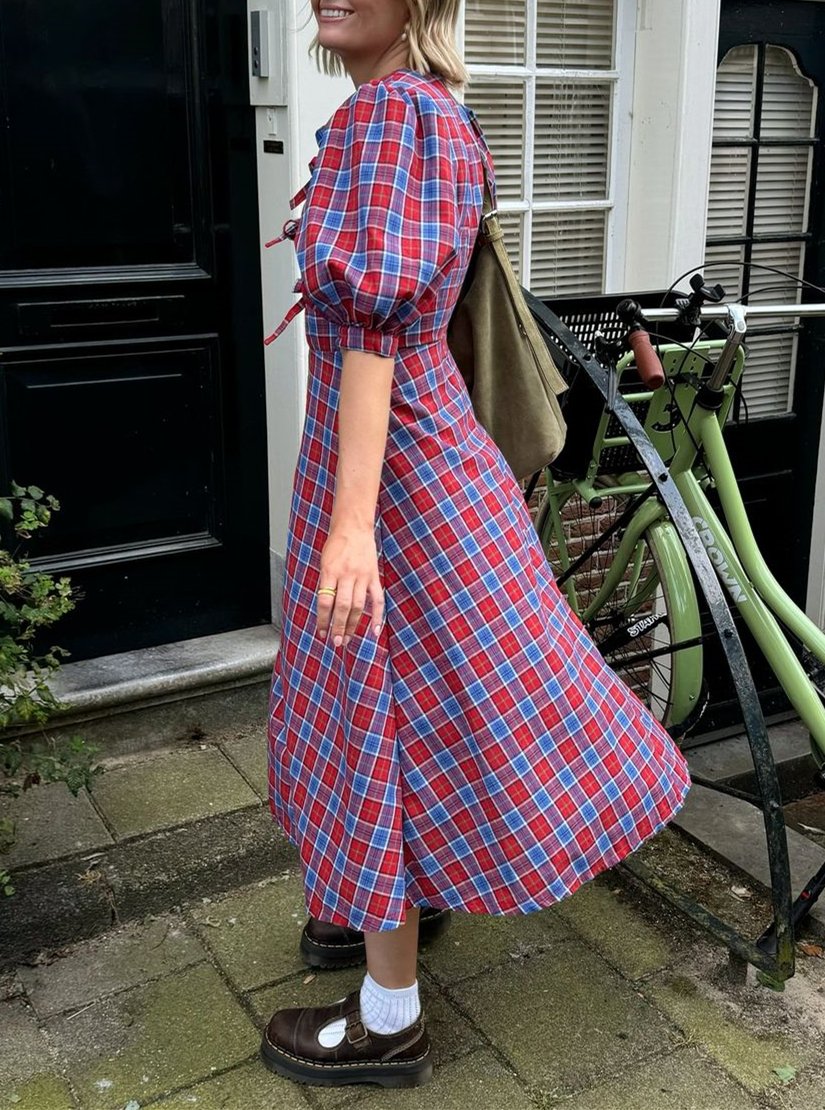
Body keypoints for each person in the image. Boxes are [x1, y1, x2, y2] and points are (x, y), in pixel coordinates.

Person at [261, 0, 691, 1090]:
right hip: (426, 453)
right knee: (436, 698)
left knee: (375, 709)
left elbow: (376, 336)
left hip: (393, 470)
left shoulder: (388, 120)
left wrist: (351, 524)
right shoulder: (432, 112)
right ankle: (391, 906)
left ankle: (389, 1014)